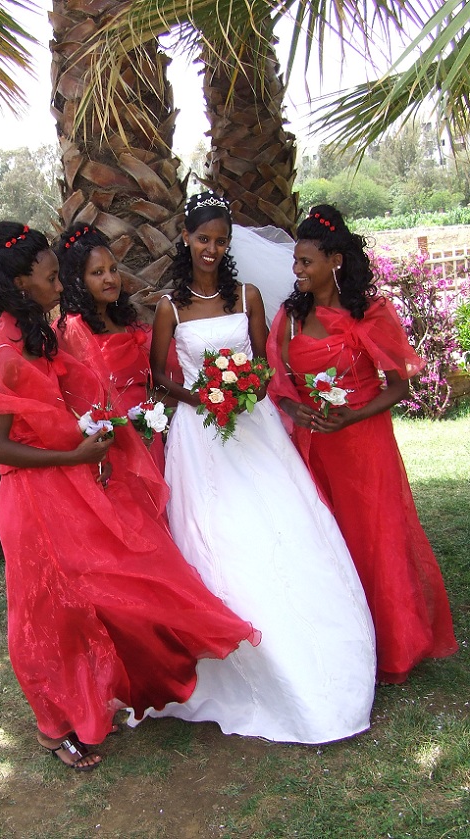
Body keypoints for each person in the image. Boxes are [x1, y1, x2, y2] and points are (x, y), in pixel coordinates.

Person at [0, 221, 259, 771]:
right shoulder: (1, 352)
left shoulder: (40, 334)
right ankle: (54, 727)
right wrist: (74, 457)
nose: (61, 286)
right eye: (52, 278)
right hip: (31, 500)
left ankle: (119, 686)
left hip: (72, 488)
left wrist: (93, 440)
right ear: (22, 283)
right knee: (45, 615)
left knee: (112, 588)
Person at [144, 191, 376, 744]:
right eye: (204, 238)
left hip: (253, 425)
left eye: (221, 240)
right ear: (186, 238)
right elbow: (161, 378)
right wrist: (200, 397)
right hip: (201, 438)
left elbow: (262, 362)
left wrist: (242, 388)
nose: (212, 248)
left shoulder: (247, 294)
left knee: (283, 522)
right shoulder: (169, 307)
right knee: (222, 536)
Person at [267, 204, 457, 684]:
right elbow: (277, 379)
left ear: (334, 260)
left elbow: (398, 385)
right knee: (329, 539)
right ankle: (345, 642)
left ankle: (394, 644)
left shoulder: (370, 313)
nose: (297, 271)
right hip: (314, 444)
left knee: (375, 537)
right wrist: (294, 409)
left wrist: (354, 413)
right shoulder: (290, 315)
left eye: (306, 261)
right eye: (295, 261)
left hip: (364, 442)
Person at [53, 223, 182, 473]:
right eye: (98, 273)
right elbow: (71, 400)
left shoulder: (129, 325)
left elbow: (156, 380)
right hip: (110, 449)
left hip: (146, 438)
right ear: (78, 280)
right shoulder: (69, 331)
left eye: (113, 269)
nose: (110, 278)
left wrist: (151, 415)